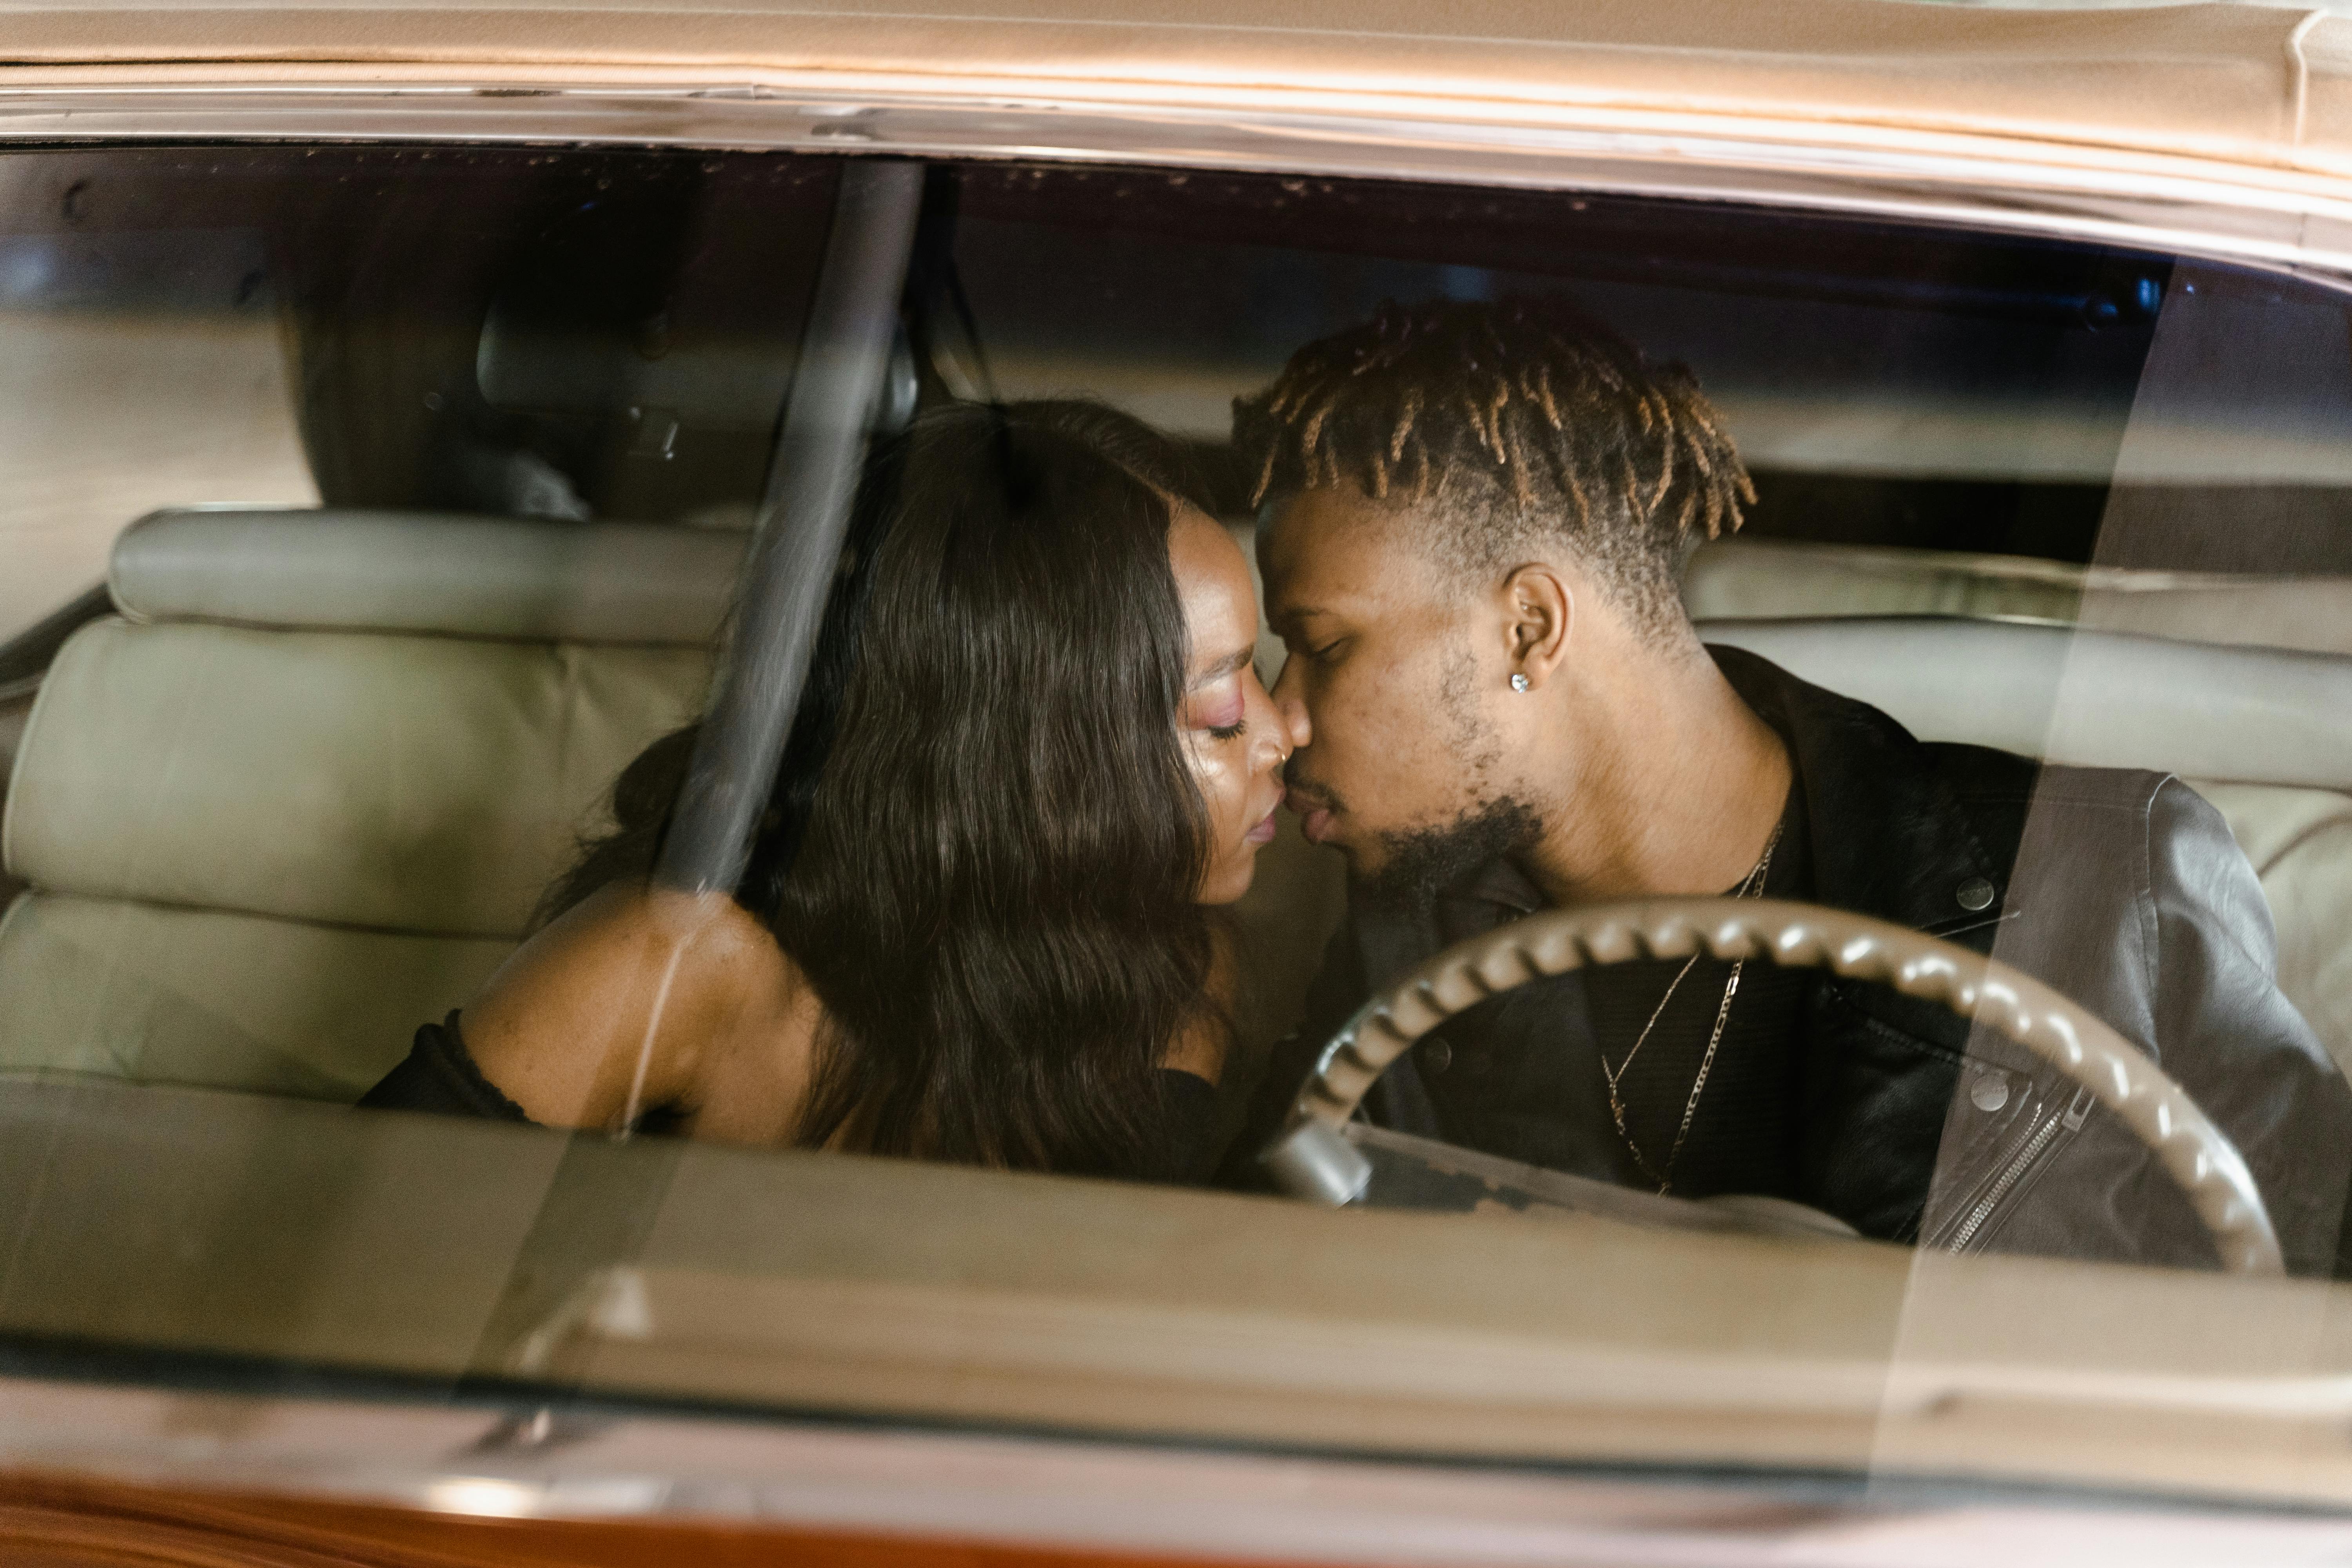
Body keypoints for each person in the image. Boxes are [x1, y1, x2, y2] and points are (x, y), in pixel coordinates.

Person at [1224, 297, 2352, 1273]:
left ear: (1530, 625)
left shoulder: (2111, 886)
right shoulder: (1410, 933)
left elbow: (2314, 1312)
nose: (1281, 717)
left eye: (1320, 645)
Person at [362, 400, 1304, 1184]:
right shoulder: (680, 953)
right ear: (1042, 764)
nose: (1281, 732)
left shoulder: (1173, 963)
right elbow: (333, 1258)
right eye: (1221, 712)